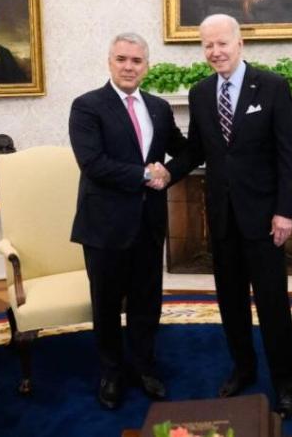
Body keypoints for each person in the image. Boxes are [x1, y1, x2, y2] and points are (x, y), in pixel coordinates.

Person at [162, 14, 292, 418]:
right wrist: (167, 172)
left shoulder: (273, 86)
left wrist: (284, 211)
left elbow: (288, 156)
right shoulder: (200, 93)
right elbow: (198, 151)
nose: (215, 51)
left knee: (273, 303)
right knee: (231, 301)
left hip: (264, 218)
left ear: (240, 43)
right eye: (207, 45)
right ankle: (243, 368)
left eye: (222, 43)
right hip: (221, 218)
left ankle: (284, 380)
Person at [69, 32, 186, 410]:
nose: (129, 67)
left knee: (146, 301)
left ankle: (144, 366)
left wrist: (170, 172)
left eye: (136, 61)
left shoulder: (159, 107)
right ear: (110, 61)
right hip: (104, 225)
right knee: (105, 303)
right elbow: (93, 163)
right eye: (122, 59)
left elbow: (182, 152)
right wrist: (145, 175)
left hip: (148, 223)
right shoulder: (87, 106)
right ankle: (111, 372)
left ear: (146, 66)